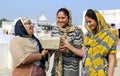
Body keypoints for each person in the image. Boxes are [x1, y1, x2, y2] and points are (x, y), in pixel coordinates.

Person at [82, 9, 117, 76]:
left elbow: (112, 60)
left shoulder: (109, 36)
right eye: (87, 22)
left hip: (102, 72)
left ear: (97, 20)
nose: (88, 24)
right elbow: (83, 53)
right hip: (86, 72)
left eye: (90, 21)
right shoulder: (87, 36)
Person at [51, 7, 84, 76]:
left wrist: (66, 50)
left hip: (71, 69)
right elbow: (52, 49)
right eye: (58, 18)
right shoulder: (55, 30)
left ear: (69, 18)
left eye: (63, 18)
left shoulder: (76, 32)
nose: (60, 20)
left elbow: (80, 53)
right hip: (57, 69)